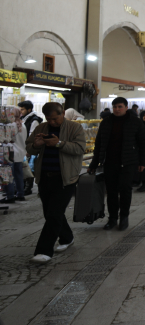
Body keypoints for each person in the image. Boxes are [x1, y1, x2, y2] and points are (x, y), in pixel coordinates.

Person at [26, 102, 86, 263]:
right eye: (49, 119)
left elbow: (80, 149)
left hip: (66, 177)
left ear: (63, 113)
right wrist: (36, 145)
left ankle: (44, 251)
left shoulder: (74, 128)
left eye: (55, 118)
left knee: (54, 213)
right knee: (51, 212)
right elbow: (30, 148)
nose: (52, 122)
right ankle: (67, 238)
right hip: (45, 176)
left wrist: (59, 144)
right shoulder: (41, 128)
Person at [88, 97, 145, 231]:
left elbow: (143, 144)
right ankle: (113, 218)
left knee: (125, 190)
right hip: (110, 162)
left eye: (120, 106)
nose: (117, 109)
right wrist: (93, 163)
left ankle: (124, 217)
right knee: (111, 192)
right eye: (115, 107)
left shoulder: (135, 122)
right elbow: (99, 144)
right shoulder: (106, 122)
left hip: (128, 162)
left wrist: (143, 162)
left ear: (126, 107)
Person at [0, 107, 27, 204]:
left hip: (8, 152)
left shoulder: (8, 125)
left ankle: (9, 196)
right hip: (20, 153)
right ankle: (20, 194)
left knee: (7, 175)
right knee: (18, 175)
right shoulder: (22, 125)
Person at [19, 101, 42, 195]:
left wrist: (29, 149)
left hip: (30, 148)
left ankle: (28, 188)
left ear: (29, 109)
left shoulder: (34, 120)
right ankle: (23, 187)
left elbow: (32, 136)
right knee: (24, 167)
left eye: (22, 109)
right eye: (20, 109)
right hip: (23, 147)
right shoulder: (24, 119)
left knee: (29, 168)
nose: (21, 111)